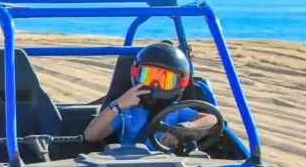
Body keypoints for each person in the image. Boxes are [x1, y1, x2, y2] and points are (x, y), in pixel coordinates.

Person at [83, 42, 217, 149]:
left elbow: (212, 119)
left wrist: (183, 129)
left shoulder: (176, 110)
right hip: (127, 165)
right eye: (148, 76)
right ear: (135, 73)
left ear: (181, 83)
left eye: (166, 80)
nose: (155, 85)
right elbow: (90, 135)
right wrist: (118, 105)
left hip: (168, 165)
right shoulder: (126, 110)